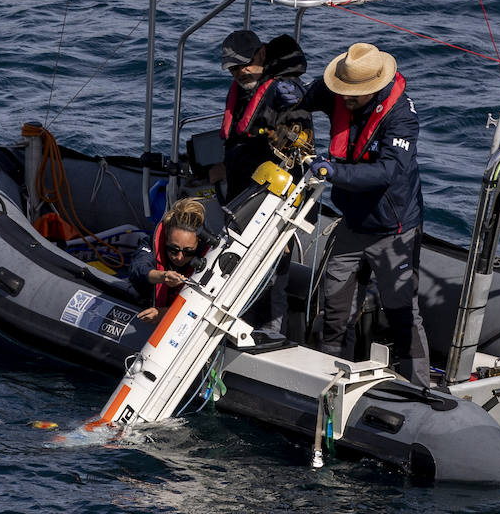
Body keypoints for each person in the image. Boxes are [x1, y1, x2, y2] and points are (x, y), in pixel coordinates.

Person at [306, 42, 430, 386]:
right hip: (353, 223)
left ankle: (419, 386)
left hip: (394, 229)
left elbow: (386, 173)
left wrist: (332, 173)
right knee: (334, 305)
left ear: (374, 89)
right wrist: (289, 93)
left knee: (402, 310)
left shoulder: (401, 117)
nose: (344, 98)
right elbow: (307, 97)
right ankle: (328, 375)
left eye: (353, 94)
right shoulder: (337, 90)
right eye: (341, 90)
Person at [215, 30, 312, 199]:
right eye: (234, 68)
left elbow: (300, 142)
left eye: (246, 63)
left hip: (272, 190)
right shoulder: (244, 89)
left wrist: (295, 98)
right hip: (241, 182)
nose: (241, 72)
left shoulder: (284, 88)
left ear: (261, 53)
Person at [128, 198, 209, 322]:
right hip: (146, 302)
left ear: (198, 244)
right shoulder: (152, 244)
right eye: (173, 249)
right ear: (165, 238)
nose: (179, 257)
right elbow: (138, 268)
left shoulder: (208, 254)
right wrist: (163, 276)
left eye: (188, 251)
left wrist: (165, 313)